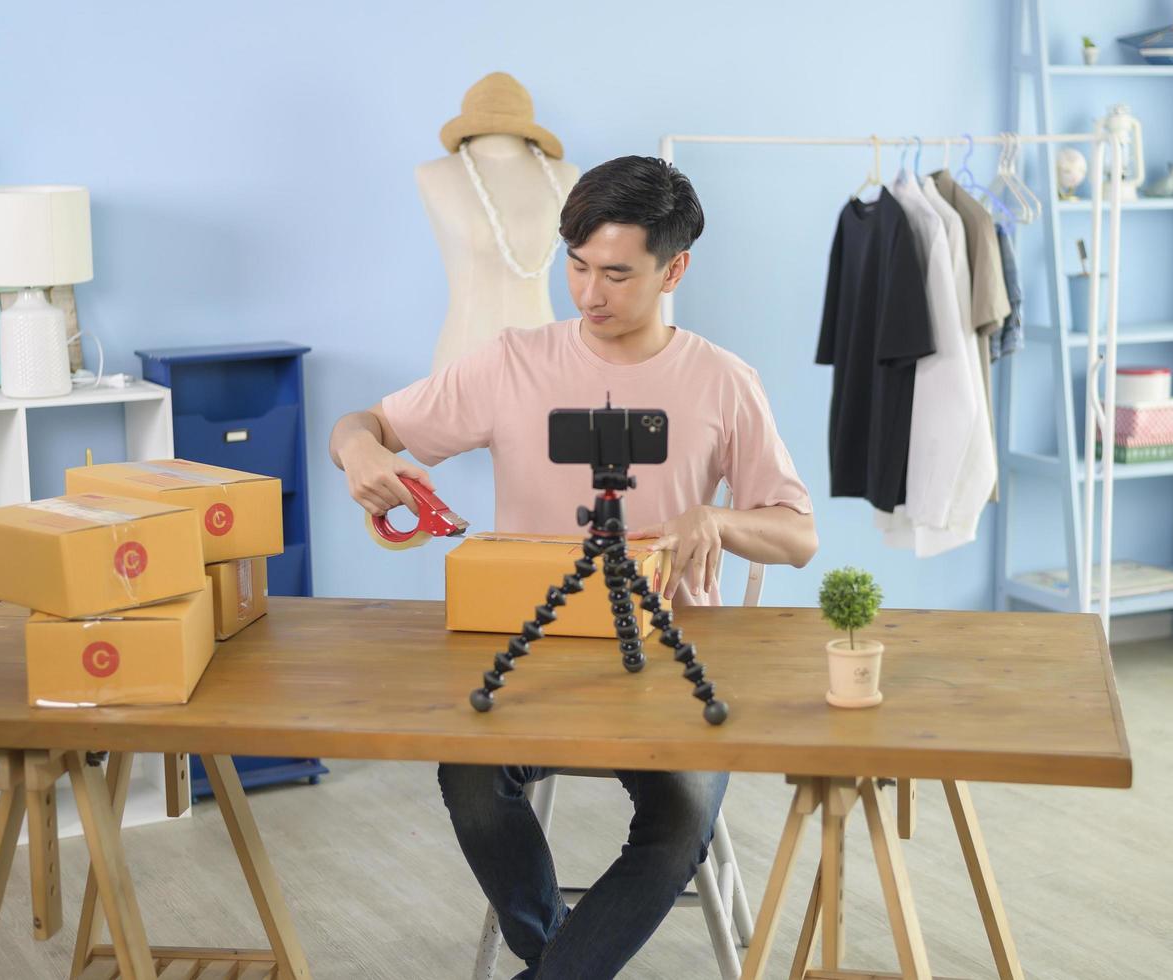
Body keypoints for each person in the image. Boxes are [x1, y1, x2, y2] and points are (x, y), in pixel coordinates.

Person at [328, 155, 817, 979]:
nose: (589, 295)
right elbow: (367, 422)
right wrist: (356, 453)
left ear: (674, 270)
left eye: (618, 275)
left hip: (668, 653)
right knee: (471, 779)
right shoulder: (513, 362)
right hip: (537, 648)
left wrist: (718, 519)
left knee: (680, 820)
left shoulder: (722, 381)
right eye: (578, 267)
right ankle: (560, 957)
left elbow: (797, 535)